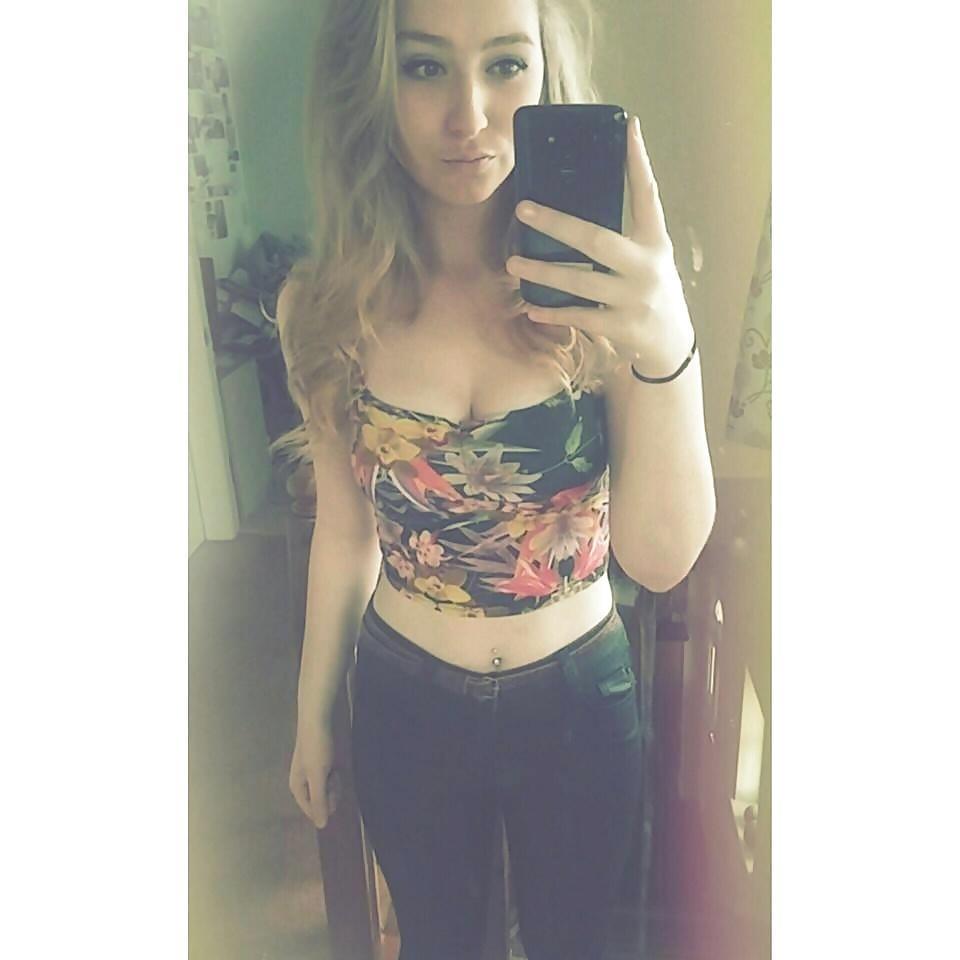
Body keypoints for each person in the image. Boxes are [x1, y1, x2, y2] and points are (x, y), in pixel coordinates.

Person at [275, 1, 716, 957]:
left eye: (506, 65)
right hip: (406, 699)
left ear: (547, 74)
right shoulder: (326, 304)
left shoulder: (606, 298)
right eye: (425, 67)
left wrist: (668, 345)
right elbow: (346, 534)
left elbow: (661, 558)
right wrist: (313, 715)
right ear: (374, 82)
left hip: (579, 700)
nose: (468, 116)